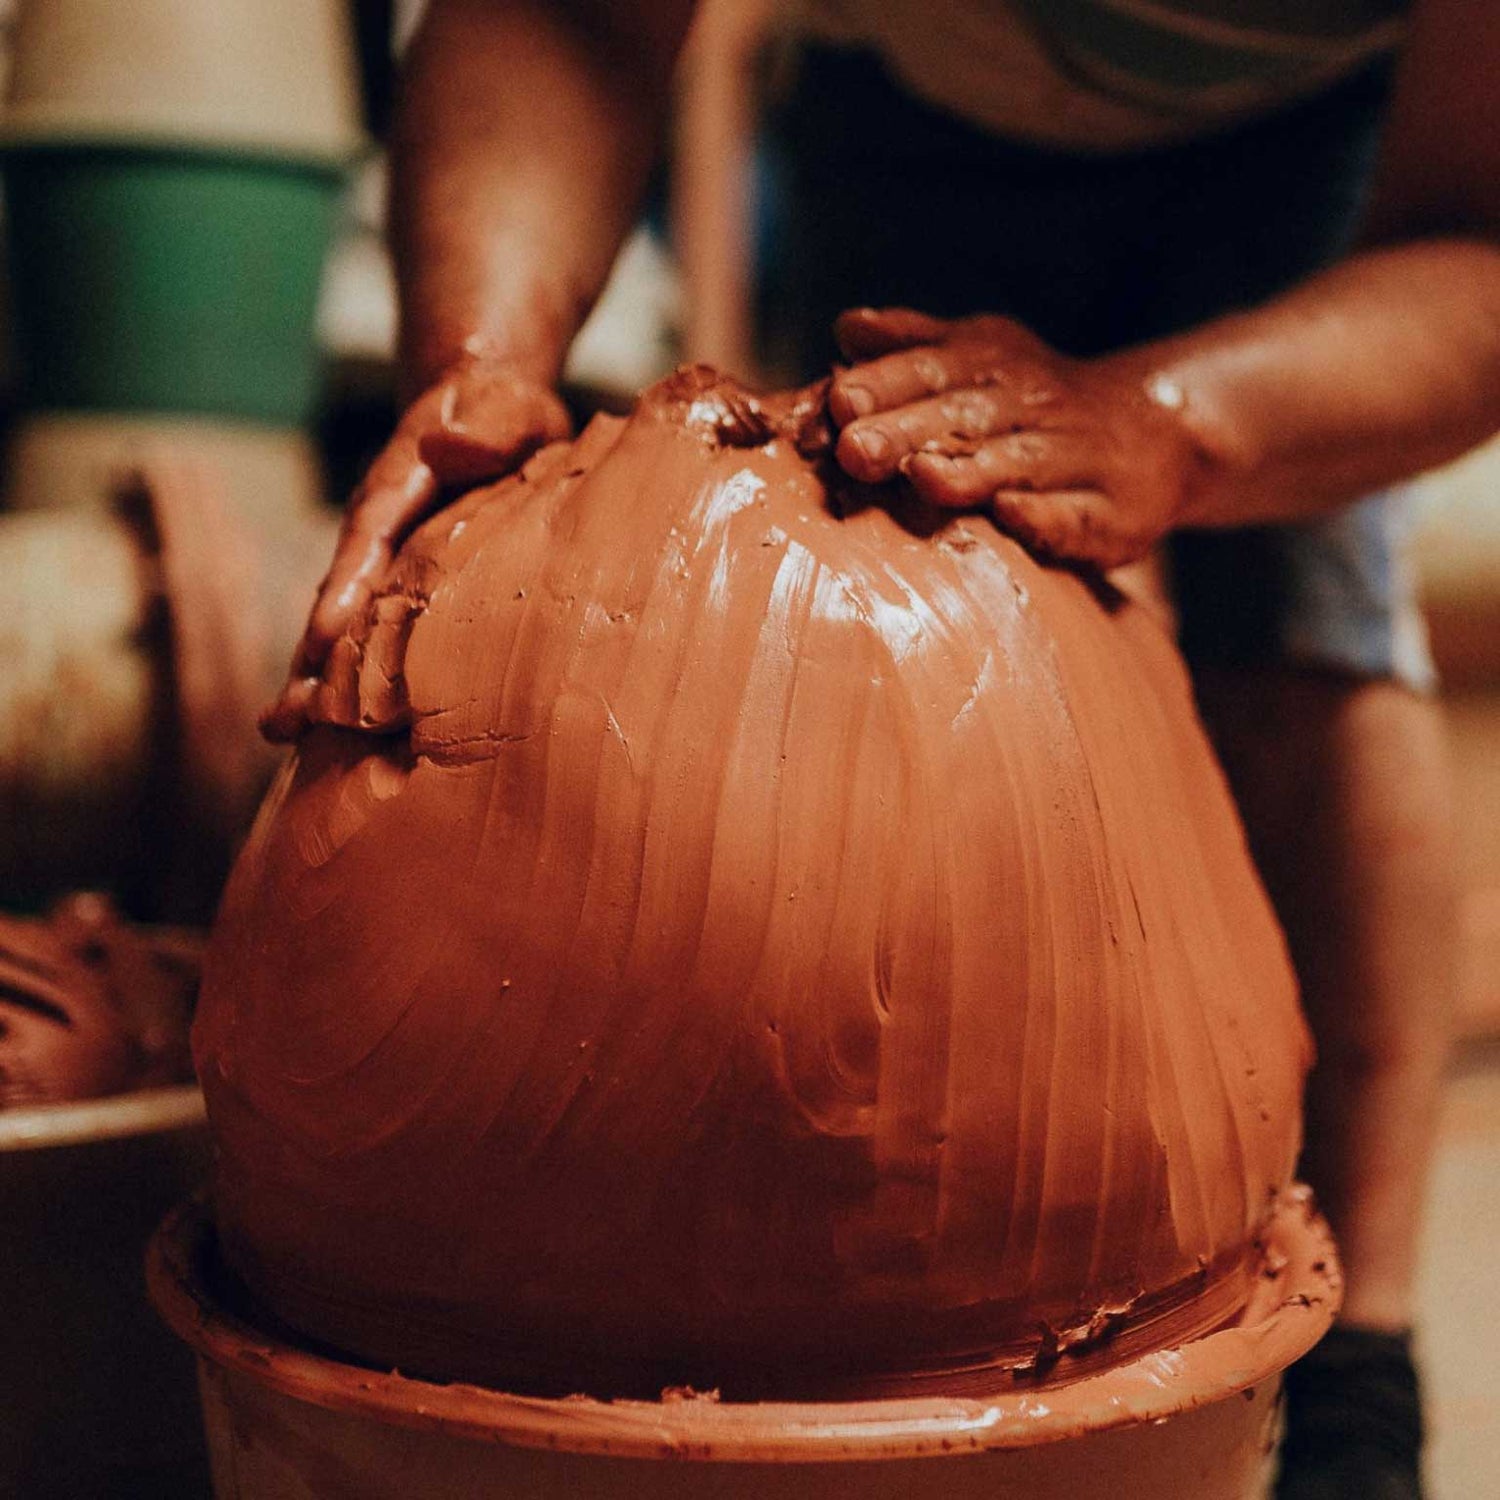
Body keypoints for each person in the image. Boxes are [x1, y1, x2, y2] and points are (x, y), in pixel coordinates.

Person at [266, 4, 1500, 1495]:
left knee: (1309, 630)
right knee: (863, 583)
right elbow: (567, 18)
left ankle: (1362, 1349)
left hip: (1330, 117)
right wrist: (479, 353)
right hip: (916, 83)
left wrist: (1174, 425)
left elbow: (1482, 245)